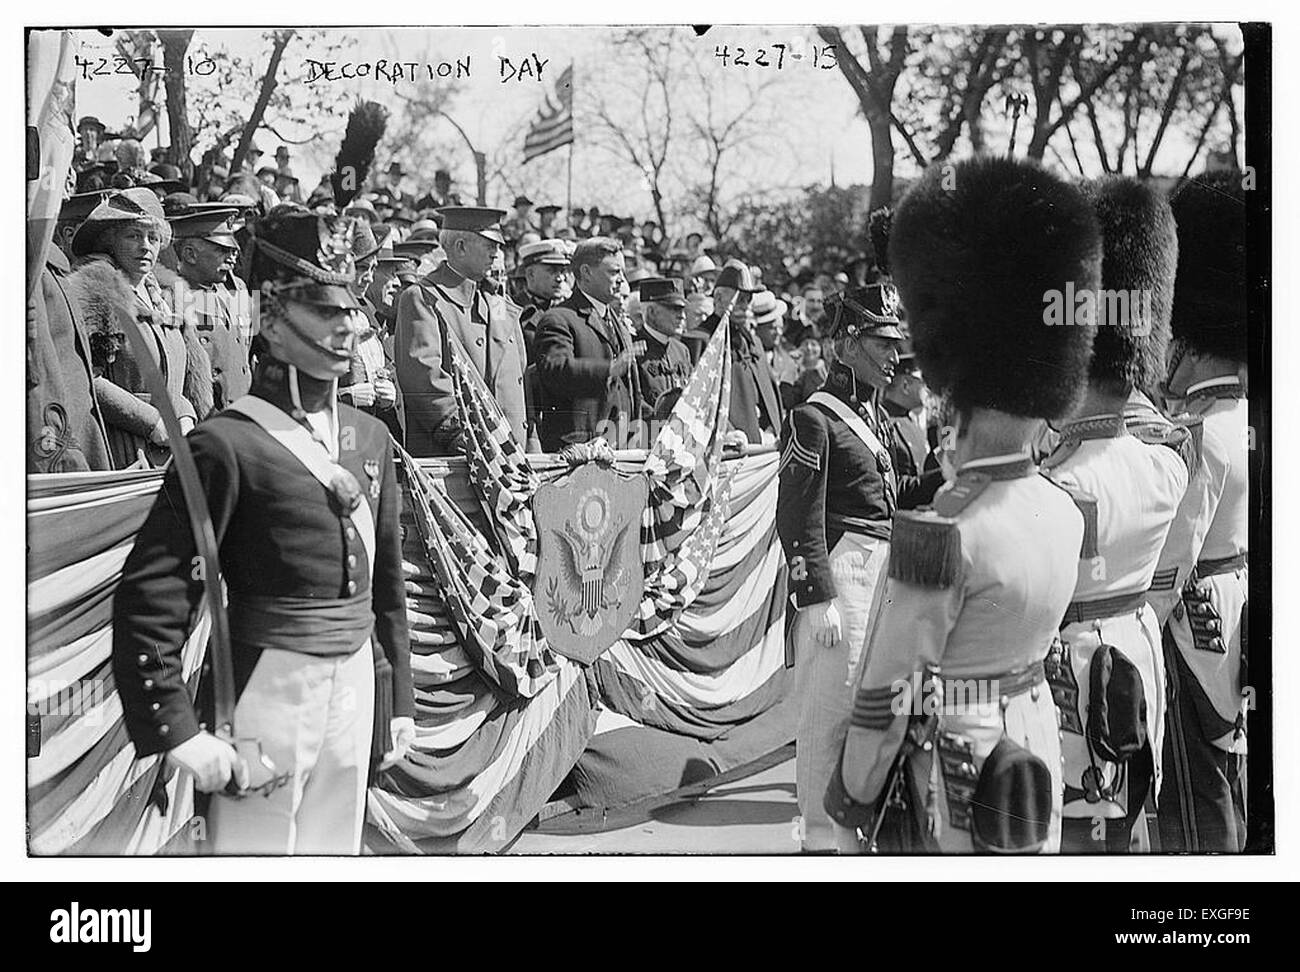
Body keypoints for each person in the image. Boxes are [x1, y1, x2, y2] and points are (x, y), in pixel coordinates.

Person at [111, 209, 414, 855]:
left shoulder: (370, 438)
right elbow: (154, 594)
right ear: (273, 323)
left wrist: (402, 700)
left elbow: (387, 582)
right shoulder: (225, 446)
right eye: (323, 310)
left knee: (335, 849)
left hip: (356, 682)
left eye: (351, 309)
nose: (347, 327)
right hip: (262, 686)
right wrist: (178, 727)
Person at [827, 156, 1100, 855]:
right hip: (1036, 749)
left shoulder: (944, 530)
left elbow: (890, 694)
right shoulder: (1065, 508)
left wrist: (853, 789)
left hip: (955, 774)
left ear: (955, 400)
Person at [1040, 177, 1193, 853]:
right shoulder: (1168, 462)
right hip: (1138, 648)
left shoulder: (1058, 484)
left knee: (1079, 842)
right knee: (1131, 834)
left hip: (1075, 680)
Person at [776, 283, 910, 852]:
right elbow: (796, 513)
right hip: (842, 577)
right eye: (882, 341)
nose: (894, 355)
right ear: (848, 343)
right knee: (829, 717)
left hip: (882, 577)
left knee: (871, 712)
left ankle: (853, 841)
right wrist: (817, 596)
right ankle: (814, 844)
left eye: (895, 341)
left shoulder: (876, 417)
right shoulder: (814, 417)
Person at [1149, 172, 1250, 853]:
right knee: (1234, 769)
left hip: (1195, 624)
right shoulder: (1245, 418)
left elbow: (1170, 567)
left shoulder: (1198, 435)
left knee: (1193, 787)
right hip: (1241, 602)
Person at [67, 187, 213, 469]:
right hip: (121, 451)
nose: (145, 246)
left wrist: (185, 415)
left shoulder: (166, 295)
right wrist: (152, 421)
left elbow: (178, 378)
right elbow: (84, 377)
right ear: (110, 241)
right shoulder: (96, 291)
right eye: (133, 235)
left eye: (153, 237)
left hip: (172, 452)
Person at [394, 206, 528, 454]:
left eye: (497, 246)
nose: (496, 253)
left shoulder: (498, 303)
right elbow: (425, 381)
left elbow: (518, 385)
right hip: (461, 459)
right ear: (460, 246)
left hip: (514, 460)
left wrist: (532, 448)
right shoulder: (423, 298)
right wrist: (468, 441)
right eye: (489, 244)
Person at [533, 236, 641, 452]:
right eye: (614, 271)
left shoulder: (617, 322)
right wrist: (607, 370)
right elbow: (555, 370)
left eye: (622, 272)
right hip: (577, 452)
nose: (622, 279)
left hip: (621, 449)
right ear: (586, 272)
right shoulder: (558, 318)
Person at [162, 208, 254, 411]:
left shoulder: (236, 289)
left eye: (233, 251)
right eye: (221, 251)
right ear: (190, 254)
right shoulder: (170, 299)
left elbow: (246, 353)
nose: (231, 259)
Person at [699, 261, 783, 445]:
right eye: (739, 298)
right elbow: (698, 399)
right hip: (729, 446)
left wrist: (772, 428)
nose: (745, 305)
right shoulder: (702, 339)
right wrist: (726, 433)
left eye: (748, 299)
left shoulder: (753, 342)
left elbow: (769, 393)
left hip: (763, 444)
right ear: (719, 298)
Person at [340, 221, 402, 441]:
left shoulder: (367, 314)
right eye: (361, 268)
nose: (368, 276)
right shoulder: (319, 315)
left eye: (373, 269)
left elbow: (383, 369)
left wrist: (389, 393)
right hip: (337, 433)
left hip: (370, 432)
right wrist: (346, 397)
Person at [633, 276, 693, 423]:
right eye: (675, 309)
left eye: (683, 310)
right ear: (652, 312)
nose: (682, 316)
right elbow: (634, 401)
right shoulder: (631, 349)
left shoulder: (682, 350)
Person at [513, 238, 571, 359]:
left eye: (561, 271)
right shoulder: (513, 309)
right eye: (552, 271)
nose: (560, 278)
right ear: (530, 274)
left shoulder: (566, 309)